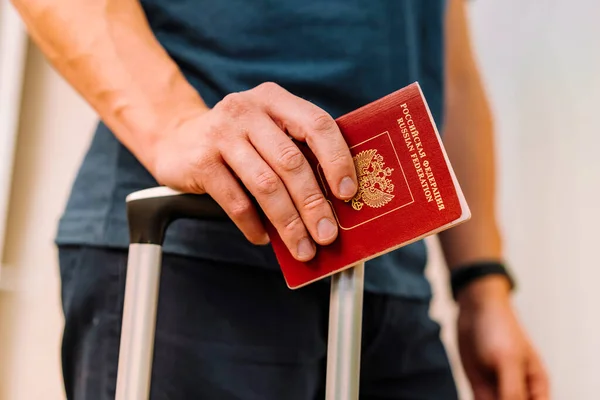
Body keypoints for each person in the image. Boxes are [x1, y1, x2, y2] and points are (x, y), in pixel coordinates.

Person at [12, 0, 550, 398]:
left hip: (386, 276)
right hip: (197, 250)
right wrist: (173, 123)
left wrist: (480, 283)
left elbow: (447, 62)